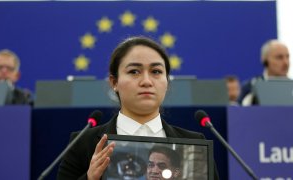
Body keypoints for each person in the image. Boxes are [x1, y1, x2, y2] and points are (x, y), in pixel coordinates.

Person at [56, 36, 219, 180]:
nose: (146, 81)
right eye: (134, 71)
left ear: (167, 83)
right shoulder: (83, 143)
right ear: (114, 82)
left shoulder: (195, 143)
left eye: (156, 71)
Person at [238, 39, 290, 106]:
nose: (286, 63)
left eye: (287, 57)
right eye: (279, 57)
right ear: (265, 61)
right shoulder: (250, 88)